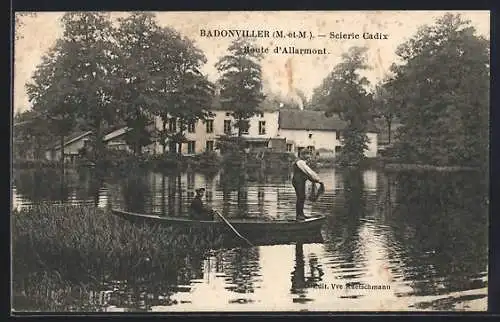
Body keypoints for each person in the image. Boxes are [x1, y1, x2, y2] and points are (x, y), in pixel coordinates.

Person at [292, 149, 323, 221]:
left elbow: (308, 175)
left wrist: (315, 180)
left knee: (302, 197)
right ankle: (299, 215)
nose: (309, 157)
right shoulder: (300, 162)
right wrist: (318, 179)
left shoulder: (302, 162)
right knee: (301, 197)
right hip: (298, 181)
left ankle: (301, 214)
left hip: (300, 181)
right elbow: (309, 172)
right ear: (303, 155)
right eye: (307, 155)